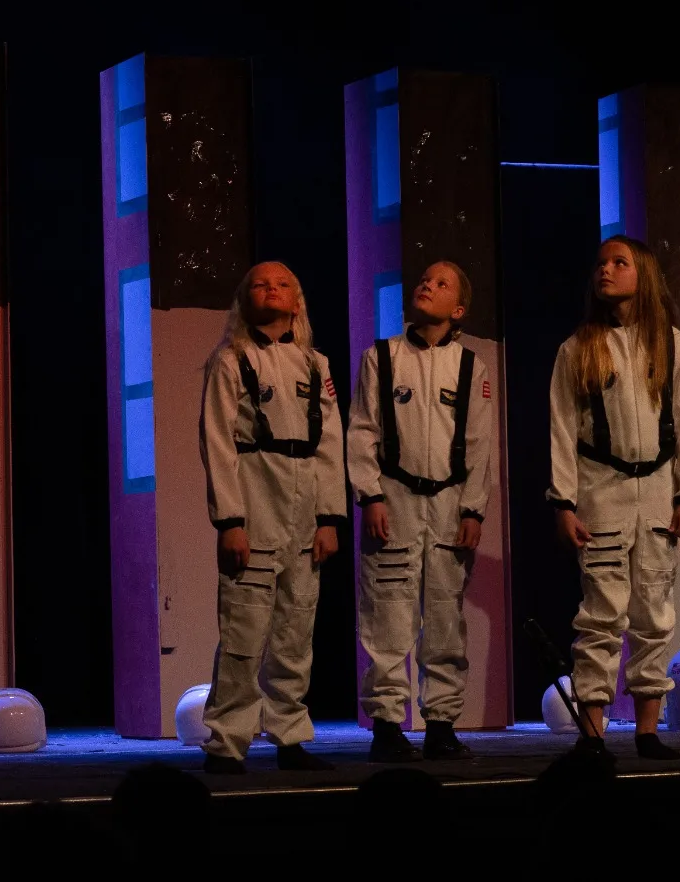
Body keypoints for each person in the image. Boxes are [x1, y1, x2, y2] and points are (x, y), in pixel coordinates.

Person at [547, 234, 680, 761]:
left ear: (645, 275)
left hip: (657, 491)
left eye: (620, 263)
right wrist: (563, 502)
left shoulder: (672, 344)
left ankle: (647, 732)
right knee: (601, 615)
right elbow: (561, 430)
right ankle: (593, 733)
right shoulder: (577, 348)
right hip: (602, 491)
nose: (606, 271)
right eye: (601, 263)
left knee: (654, 613)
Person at [197, 261, 345, 774]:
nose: (272, 289)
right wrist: (230, 521)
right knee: (243, 631)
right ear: (245, 299)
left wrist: (329, 517)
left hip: (303, 505)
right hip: (256, 499)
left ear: (297, 301)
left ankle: (289, 735)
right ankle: (227, 741)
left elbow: (330, 442)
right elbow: (218, 441)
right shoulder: (231, 361)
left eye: (282, 283)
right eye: (260, 284)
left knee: (295, 630)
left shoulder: (316, 364)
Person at [347, 261, 495, 763]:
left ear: (459, 309)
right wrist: (370, 495)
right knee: (387, 615)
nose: (427, 284)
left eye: (441, 282)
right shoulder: (382, 357)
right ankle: (388, 726)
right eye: (425, 279)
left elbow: (478, 444)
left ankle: (441, 725)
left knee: (445, 615)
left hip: (450, 506)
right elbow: (362, 431)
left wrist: (473, 509)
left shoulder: (471, 367)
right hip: (394, 501)